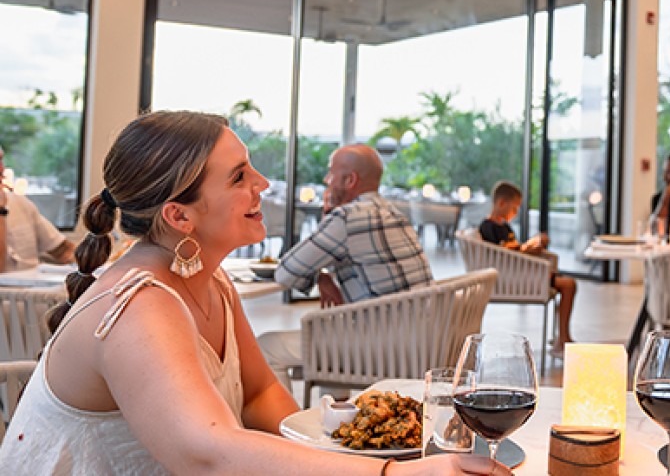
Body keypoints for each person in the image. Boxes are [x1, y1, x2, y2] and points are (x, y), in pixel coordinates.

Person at [0, 111, 505, 476]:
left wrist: (343, 451)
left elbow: (261, 395)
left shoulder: (212, 281)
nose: (263, 183)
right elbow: (207, 454)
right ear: (179, 216)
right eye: (240, 176)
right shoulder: (139, 305)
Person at [258, 144, 433, 388]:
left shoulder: (346, 218)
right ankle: (336, 415)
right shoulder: (394, 212)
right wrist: (323, 276)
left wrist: (326, 223)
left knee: (268, 347)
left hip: (380, 349)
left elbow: (286, 272)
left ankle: (281, 425)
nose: (325, 180)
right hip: (422, 342)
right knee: (335, 328)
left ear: (350, 180)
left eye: (331, 173)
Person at [478, 180, 576, 357]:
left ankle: (562, 337)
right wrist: (526, 249)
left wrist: (531, 247)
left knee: (565, 282)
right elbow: (503, 254)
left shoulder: (504, 226)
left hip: (522, 273)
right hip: (515, 278)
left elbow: (514, 249)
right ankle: (563, 339)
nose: (515, 213)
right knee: (568, 285)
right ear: (501, 203)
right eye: (514, 208)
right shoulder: (488, 227)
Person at [0, 145, 75, 272]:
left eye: (1, 160)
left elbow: (63, 250)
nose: (2, 169)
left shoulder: (20, 203)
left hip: (33, 289)